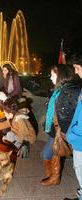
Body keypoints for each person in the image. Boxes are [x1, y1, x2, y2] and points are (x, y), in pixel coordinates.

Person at [41, 64, 80, 186]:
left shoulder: (70, 90)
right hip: (56, 128)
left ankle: (54, 177)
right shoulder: (59, 89)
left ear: (60, 76)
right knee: (54, 152)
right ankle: (53, 176)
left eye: (52, 75)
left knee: (47, 153)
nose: (50, 78)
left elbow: (72, 113)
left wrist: (66, 134)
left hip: (62, 130)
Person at [65, 53, 82, 200]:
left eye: (77, 68)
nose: (75, 71)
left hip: (80, 140)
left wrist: (73, 135)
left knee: (80, 169)